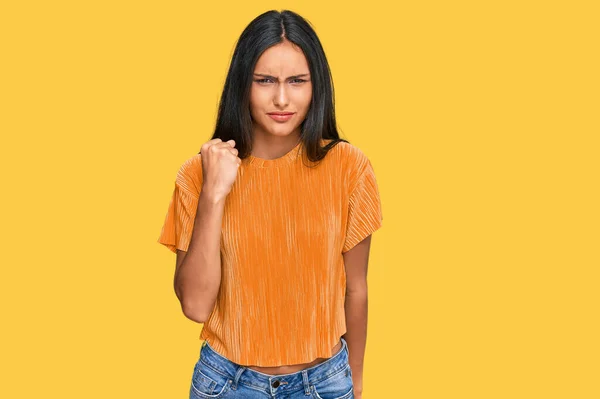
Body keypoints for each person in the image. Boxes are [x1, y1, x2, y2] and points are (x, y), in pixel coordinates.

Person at [157, 9, 383, 399]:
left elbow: (356, 290)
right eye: (265, 81)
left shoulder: (350, 168)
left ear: (317, 86)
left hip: (325, 382)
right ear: (243, 84)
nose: (282, 98)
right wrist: (214, 193)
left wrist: (356, 382)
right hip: (226, 384)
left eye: (297, 81)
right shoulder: (198, 173)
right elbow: (194, 305)